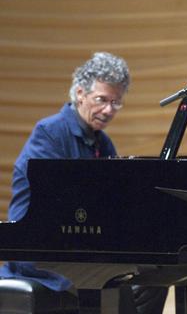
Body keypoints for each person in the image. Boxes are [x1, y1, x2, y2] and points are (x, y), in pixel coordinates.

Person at [0, 52, 166, 313]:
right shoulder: (50, 133)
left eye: (116, 102)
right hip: (39, 247)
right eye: (102, 100)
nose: (109, 110)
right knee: (107, 280)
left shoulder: (103, 142)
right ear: (80, 94)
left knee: (155, 277)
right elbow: (54, 202)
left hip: (79, 243)